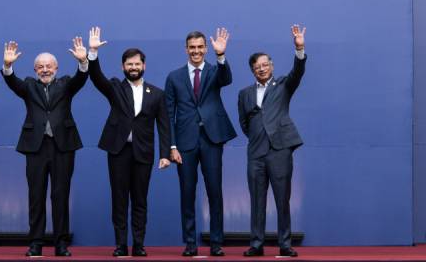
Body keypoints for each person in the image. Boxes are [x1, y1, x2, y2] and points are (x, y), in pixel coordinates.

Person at [86, 27, 171, 257]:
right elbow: (96, 77)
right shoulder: (115, 87)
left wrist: (165, 154)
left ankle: (139, 245)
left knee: (140, 200)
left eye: (137, 64)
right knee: (119, 199)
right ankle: (121, 245)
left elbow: (164, 126)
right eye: (129, 64)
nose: (133, 67)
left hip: (144, 153)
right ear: (123, 67)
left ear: (144, 66)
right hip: (118, 151)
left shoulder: (157, 93)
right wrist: (93, 53)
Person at [1, 37, 89, 257]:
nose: (45, 70)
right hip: (36, 148)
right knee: (36, 196)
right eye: (40, 67)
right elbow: (13, 82)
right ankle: (36, 244)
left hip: (63, 147)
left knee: (61, 195)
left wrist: (83, 61)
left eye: (49, 66)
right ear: (35, 70)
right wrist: (8, 66)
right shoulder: (29, 86)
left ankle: (61, 244)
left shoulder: (66, 84)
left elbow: (80, 79)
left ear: (56, 68)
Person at [164, 28, 237, 257]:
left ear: (206, 48)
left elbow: (227, 79)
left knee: (215, 192)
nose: (196, 51)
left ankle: (216, 242)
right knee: (187, 194)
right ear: (186, 49)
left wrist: (221, 55)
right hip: (184, 143)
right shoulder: (174, 77)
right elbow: (168, 114)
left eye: (200, 47)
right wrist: (171, 146)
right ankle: (190, 243)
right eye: (192, 47)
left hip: (211, 140)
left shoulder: (215, 71)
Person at [237, 25, 307, 258]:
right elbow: (244, 123)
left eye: (265, 65)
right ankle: (256, 244)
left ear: (272, 66)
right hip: (255, 153)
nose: (262, 69)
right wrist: (258, 138)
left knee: (282, 199)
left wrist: (299, 49)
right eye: (257, 67)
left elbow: (298, 72)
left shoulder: (284, 85)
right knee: (256, 201)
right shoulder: (244, 93)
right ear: (252, 70)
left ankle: (285, 244)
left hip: (280, 151)